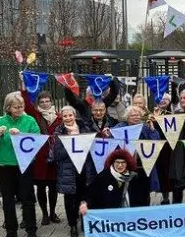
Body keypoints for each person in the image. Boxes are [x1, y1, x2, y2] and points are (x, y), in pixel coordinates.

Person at [0, 92, 40, 237]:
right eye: (16, 107)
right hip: (5, 167)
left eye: (21, 106)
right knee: (8, 200)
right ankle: (11, 230)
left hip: (24, 165)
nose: (20, 109)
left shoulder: (30, 121)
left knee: (27, 198)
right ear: (8, 107)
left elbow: (37, 141)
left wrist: (21, 135)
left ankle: (31, 229)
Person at [21, 89, 62, 226]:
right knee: (41, 187)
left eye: (47, 101)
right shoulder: (36, 116)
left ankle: (52, 212)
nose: (45, 104)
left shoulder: (59, 117)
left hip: (54, 157)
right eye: (42, 101)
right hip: (40, 158)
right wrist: (24, 86)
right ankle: (44, 214)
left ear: (51, 102)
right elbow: (26, 104)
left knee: (53, 187)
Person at [52, 106, 94, 237]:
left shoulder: (84, 128)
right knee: (70, 200)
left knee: (84, 197)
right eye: (65, 116)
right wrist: (70, 143)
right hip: (68, 170)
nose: (68, 118)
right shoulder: (59, 132)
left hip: (84, 169)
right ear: (62, 118)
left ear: (74, 116)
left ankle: (84, 222)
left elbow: (92, 148)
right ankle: (73, 226)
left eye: (70, 115)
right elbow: (57, 155)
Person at [112, 105, 161, 206]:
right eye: (133, 115)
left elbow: (156, 141)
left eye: (138, 115)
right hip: (126, 168)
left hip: (143, 167)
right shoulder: (121, 127)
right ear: (127, 117)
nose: (136, 117)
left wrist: (152, 129)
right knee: (129, 195)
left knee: (144, 195)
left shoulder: (145, 126)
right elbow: (112, 135)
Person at [80, 149, 138, 213]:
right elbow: (89, 194)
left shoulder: (133, 178)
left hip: (128, 217)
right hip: (107, 218)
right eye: (117, 162)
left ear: (127, 163)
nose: (120, 165)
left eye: (123, 162)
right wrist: (84, 204)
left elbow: (140, 201)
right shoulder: (103, 176)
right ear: (113, 163)